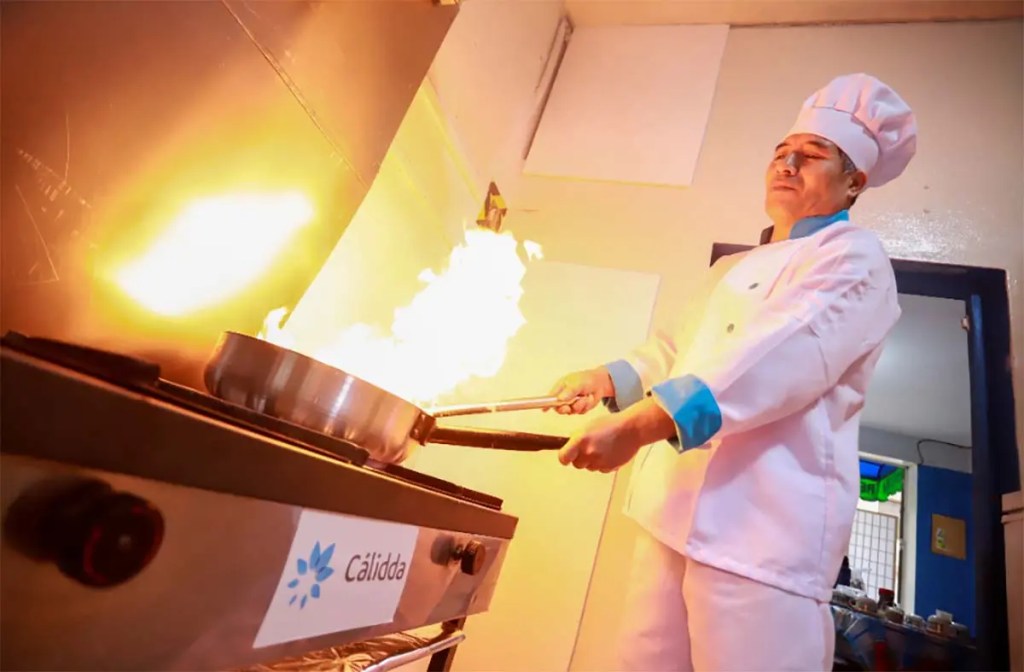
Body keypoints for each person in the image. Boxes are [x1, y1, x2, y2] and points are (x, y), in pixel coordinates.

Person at [548, 73, 916, 671]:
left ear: (854, 182)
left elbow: (780, 353)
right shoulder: (733, 269)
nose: (787, 163)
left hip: (762, 537)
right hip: (672, 514)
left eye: (812, 154)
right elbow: (676, 349)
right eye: (780, 152)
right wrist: (609, 378)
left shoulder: (855, 259)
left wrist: (643, 424)